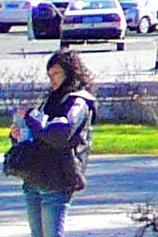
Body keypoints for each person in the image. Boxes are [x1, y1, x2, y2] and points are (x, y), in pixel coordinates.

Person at [6, 52, 95, 237]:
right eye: (49, 75)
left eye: (56, 73)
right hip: (34, 177)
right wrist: (18, 135)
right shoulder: (49, 100)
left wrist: (31, 116)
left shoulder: (78, 102)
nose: (52, 79)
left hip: (57, 179)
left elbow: (60, 133)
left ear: (69, 73)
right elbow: (37, 134)